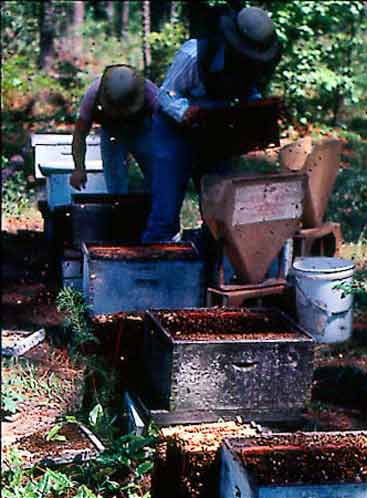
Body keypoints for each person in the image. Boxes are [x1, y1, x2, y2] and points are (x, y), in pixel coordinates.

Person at [142, 6, 282, 243]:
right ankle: (152, 271)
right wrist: (185, 112)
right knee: (164, 214)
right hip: (174, 133)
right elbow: (166, 95)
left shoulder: (252, 66)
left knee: (221, 210)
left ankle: (209, 267)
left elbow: (251, 95)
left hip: (214, 133)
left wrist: (260, 115)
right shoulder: (194, 53)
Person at [70, 64, 158, 194]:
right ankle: (119, 208)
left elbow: (166, 127)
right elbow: (79, 135)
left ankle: (158, 209)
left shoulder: (151, 93)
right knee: (115, 181)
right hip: (111, 133)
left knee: (158, 175)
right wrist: (79, 168)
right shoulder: (92, 96)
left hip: (143, 130)